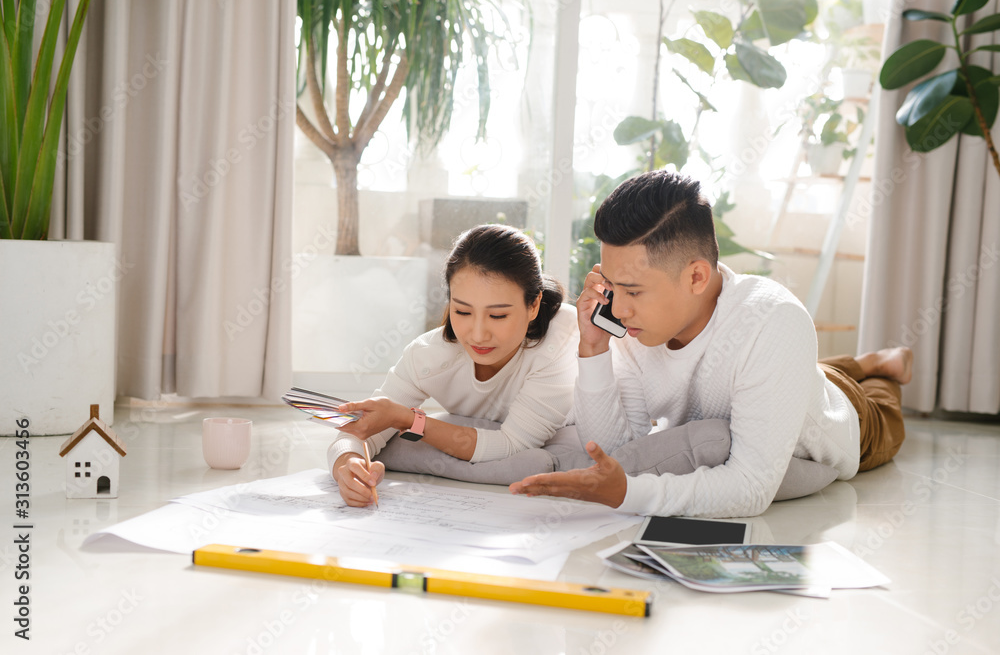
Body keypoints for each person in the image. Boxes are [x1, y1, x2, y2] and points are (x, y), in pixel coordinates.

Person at [510, 170, 912, 518]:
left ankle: (882, 366)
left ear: (697, 277)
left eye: (632, 291)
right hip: (773, 375)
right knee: (804, 369)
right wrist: (594, 350)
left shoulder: (775, 322)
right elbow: (621, 452)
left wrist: (631, 495)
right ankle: (863, 361)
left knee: (877, 400)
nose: (619, 307)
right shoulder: (634, 325)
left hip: (849, 414)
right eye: (612, 287)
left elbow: (752, 488)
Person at [330, 224, 579, 507]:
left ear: (533, 305)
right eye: (462, 311)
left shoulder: (561, 336)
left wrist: (409, 420)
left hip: (572, 430)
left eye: (497, 316)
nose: (477, 334)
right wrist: (347, 468)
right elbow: (356, 434)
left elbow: (514, 445)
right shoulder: (428, 355)